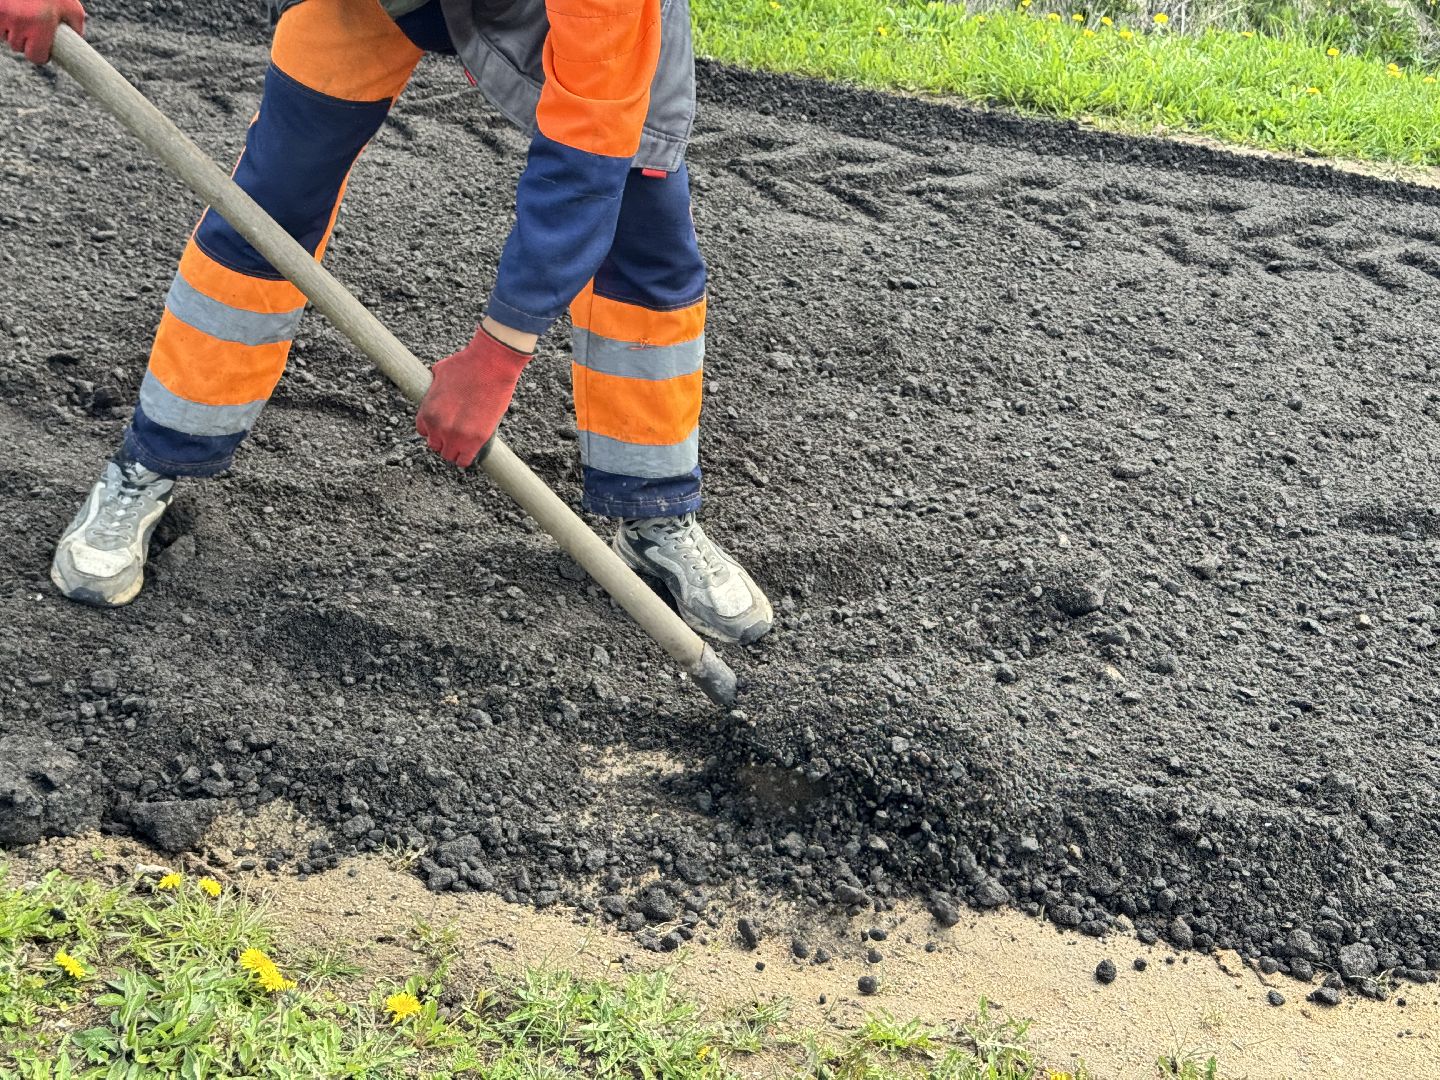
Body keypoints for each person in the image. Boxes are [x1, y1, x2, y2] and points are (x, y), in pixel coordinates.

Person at [2, 0, 773, 644]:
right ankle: (155, 459)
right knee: (270, 204)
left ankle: (655, 514)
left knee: (645, 241)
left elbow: (584, 162)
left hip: (569, 16)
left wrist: (497, 355)